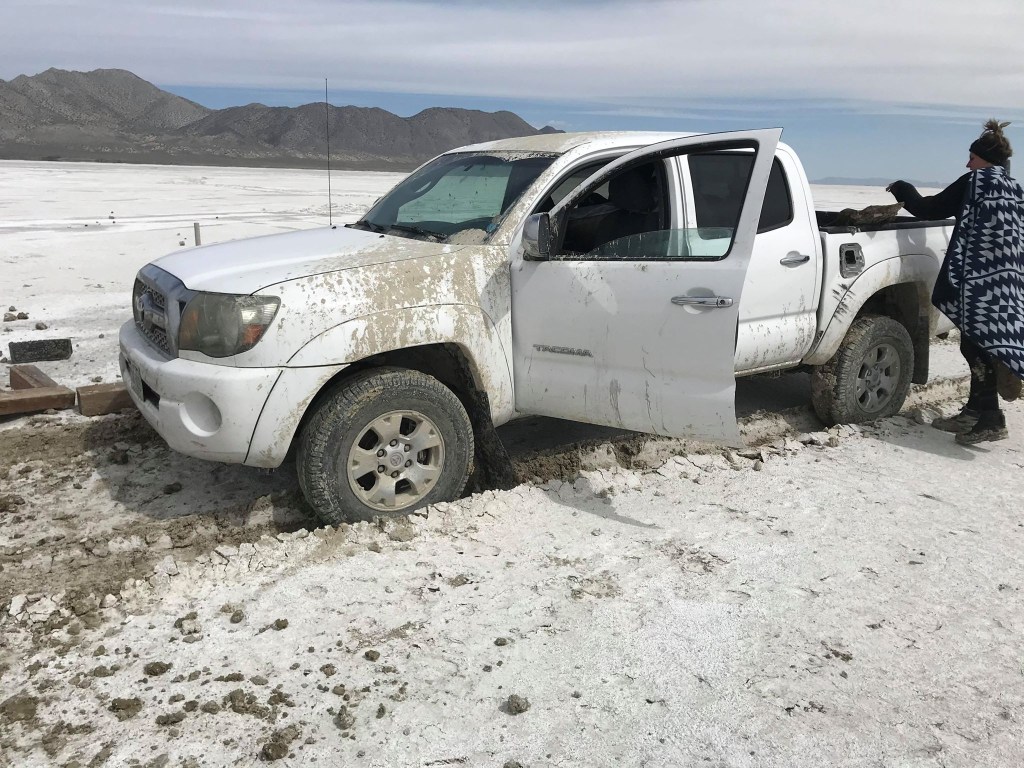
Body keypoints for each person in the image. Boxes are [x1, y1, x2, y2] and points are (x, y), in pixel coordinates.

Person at [888, 119, 1024, 445]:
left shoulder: (977, 183)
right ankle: (975, 412)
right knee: (982, 344)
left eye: (972, 158)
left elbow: (929, 209)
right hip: (1009, 286)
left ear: (984, 160)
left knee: (975, 344)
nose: (968, 163)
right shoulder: (1015, 188)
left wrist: (902, 189)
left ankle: (990, 418)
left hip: (980, 282)